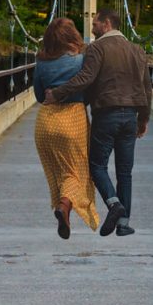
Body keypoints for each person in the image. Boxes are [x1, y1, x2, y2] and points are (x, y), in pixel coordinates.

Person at [44, 8, 151, 237]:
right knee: (125, 172)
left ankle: (114, 203)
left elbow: (85, 78)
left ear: (107, 23)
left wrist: (57, 94)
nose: (92, 28)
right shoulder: (137, 50)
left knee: (97, 166)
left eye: (95, 23)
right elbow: (146, 88)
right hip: (130, 117)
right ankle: (123, 224)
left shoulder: (97, 48)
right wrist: (143, 119)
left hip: (106, 116)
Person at [33, 17, 99, 240]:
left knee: (57, 172)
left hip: (45, 124)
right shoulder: (81, 60)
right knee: (77, 171)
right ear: (72, 35)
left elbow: (39, 95)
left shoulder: (41, 62)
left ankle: (64, 208)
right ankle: (63, 205)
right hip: (73, 120)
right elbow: (89, 89)